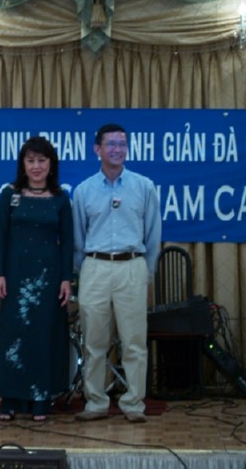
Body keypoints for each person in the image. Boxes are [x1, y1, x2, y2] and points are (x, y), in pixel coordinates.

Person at [72, 123, 161, 424]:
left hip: (132, 266)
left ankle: (134, 403)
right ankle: (95, 402)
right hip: (94, 266)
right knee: (94, 342)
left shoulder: (144, 186)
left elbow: (153, 235)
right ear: (97, 149)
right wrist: (84, 269)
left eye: (122, 144)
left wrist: (146, 272)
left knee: (134, 341)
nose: (117, 149)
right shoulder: (83, 191)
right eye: (111, 144)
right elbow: (77, 239)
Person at [0, 136, 74, 422]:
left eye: (41, 160)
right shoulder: (9, 194)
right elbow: (1, 237)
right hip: (15, 277)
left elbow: (68, 242)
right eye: (31, 160)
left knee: (43, 337)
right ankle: (10, 399)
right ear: (23, 164)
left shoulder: (61, 198)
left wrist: (66, 279)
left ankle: (41, 399)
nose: (36, 166)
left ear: (51, 164)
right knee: (13, 337)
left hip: (48, 279)